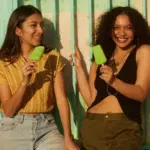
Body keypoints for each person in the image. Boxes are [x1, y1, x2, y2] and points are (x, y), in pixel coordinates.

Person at [0, 5, 79, 150]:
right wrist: (24, 82)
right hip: (13, 128)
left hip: (47, 128)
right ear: (18, 31)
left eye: (41, 25)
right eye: (33, 25)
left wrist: (68, 137)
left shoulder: (52, 57)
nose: (41, 30)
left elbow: (61, 99)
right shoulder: (3, 63)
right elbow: (8, 111)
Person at [73, 6, 150, 150]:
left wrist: (114, 81)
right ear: (109, 30)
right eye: (116, 27)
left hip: (123, 129)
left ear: (136, 30)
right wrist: (79, 68)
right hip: (92, 127)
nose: (122, 33)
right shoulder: (100, 59)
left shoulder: (143, 51)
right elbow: (91, 99)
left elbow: (141, 93)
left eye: (128, 27)